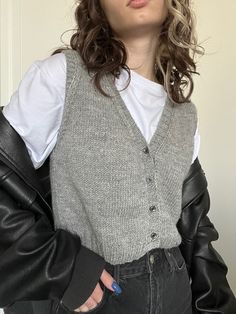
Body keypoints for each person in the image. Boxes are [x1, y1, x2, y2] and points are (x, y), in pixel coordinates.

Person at [0, 0, 236, 313]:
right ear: (97, 6)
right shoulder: (62, 78)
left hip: (175, 291)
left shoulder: (184, 114)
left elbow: (196, 228)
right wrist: (60, 265)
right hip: (97, 293)